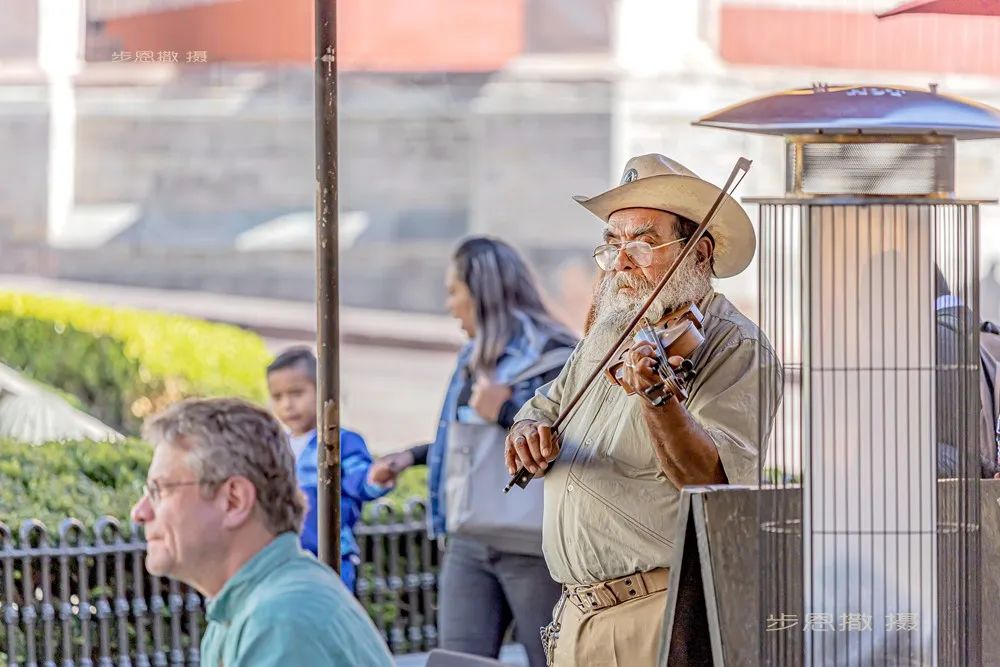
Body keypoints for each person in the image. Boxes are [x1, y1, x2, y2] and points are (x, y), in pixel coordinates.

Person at [504, 154, 783, 666]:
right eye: (612, 245)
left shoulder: (735, 346)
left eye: (642, 243)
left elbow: (714, 483)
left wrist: (658, 396)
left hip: (656, 612)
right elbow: (544, 405)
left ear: (698, 253)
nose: (621, 261)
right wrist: (526, 430)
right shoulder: (611, 330)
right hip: (577, 613)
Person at [369, 237, 578, 667]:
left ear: (481, 292)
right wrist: (410, 457)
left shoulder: (557, 357)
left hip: (531, 546)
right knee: (458, 662)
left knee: (554, 660)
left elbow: (574, 445)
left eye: (454, 291)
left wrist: (504, 410)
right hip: (469, 538)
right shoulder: (473, 357)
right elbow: (470, 442)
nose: (449, 305)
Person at [131, 397, 394, 666]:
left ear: (234, 501)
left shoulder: (279, 618)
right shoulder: (253, 606)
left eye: (160, 491)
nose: (139, 513)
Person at [266, 346, 390, 592]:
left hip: (331, 558)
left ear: (322, 389)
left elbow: (359, 481)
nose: (287, 404)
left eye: (296, 393)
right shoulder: (275, 445)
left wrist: (375, 478)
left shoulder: (342, 441)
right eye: (278, 397)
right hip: (284, 558)